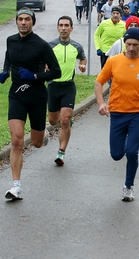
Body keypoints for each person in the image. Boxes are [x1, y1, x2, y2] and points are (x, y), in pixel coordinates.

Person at [0, 8, 61, 200]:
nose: (23, 22)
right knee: (17, 140)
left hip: (36, 96)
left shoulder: (41, 45)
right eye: (20, 19)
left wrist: (35, 76)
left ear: (32, 22)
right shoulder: (10, 40)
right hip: (17, 94)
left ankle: (44, 134)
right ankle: (16, 186)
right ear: (16, 22)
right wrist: (6, 71)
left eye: (27, 19)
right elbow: (9, 57)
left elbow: (56, 72)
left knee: (36, 142)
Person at [94, 28, 139, 202]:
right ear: (125, 43)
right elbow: (99, 82)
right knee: (116, 154)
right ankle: (125, 142)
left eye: (135, 45)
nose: (131, 48)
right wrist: (101, 103)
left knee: (132, 152)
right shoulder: (114, 61)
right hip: (117, 112)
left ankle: (128, 186)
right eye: (129, 44)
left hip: (137, 113)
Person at [48, 16, 87, 166]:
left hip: (68, 87)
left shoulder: (76, 46)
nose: (64, 28)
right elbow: (41, 60)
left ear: (71, 28)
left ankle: (61, 152)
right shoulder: (50, 45)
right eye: (61, 25)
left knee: (65, 120)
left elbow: (83, 59)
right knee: (53, 120)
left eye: (66, 25)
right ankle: (64, 126)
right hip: (53, 86)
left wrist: (82, 65)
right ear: (57, 28)